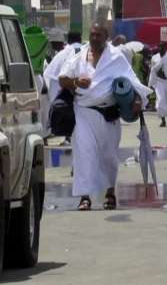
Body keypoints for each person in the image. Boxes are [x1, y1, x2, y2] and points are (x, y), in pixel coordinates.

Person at [58, 23, 152, 210]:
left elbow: (133, 80)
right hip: (83, 112)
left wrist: (138, 102)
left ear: (106, 37)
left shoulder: (115, 58)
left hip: (108, 114)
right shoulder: (78, 58)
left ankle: (110, 192)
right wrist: (76, 81)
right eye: (92, 34)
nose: (94, 38)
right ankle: (85, 198)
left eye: (98, 35)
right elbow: (62, 79)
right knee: (84, 155)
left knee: (108, 156)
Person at [44, 31, 83, 146]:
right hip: (82, 87)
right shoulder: (87, 51)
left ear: (68, 40)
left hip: (64, 88)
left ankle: (68, 136)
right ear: (80, 40)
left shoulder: (63, 53)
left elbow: (49, 73)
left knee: (67, 112)